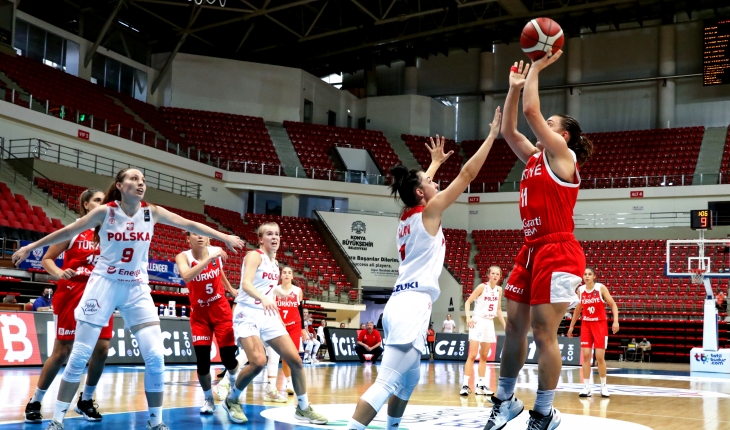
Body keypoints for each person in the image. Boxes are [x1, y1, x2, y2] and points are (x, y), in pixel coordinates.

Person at [12, 168, 244, 430]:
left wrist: (223, 236)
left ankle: (156, 422)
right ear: (120, 186)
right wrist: (30, 247)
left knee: (156, 356)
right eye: (134, 179)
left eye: (143, 180)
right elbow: (67, 231)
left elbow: (188, 224)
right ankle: (57, 420)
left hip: (136, 286)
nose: (140, 183)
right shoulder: (105, 212)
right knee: (78, 356)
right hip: (104, 285)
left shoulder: (151, 212)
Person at [346, 109, 501, 430]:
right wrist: (491, 137)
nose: (435, 181)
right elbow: (467, 176)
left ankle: (392, 427)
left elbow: (416, 188)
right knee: (387, 382)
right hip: (411, 305)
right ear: (421, 193)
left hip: (402, 304)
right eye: (431, 181)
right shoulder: (429, 213)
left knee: (409, 380)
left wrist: (434, 165)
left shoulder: (408, 215)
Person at [485, 52, 593, 430]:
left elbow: (532, 111)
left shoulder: (562, 156)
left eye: (551, 124)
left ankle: (543, 412)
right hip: (530, 249)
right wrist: (514, 88)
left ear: (562, 135)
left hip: (559, 250)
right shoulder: (533, 157)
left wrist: (537, 69)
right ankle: (504, 401)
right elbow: (510, 130)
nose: (542, 125)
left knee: (545, 333)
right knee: (514, 327)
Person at [223, 222, 327, 424]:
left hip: (267, 314)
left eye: (277, 234)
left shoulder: (275, 264)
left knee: (296, 360)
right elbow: (246, 284)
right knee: (258, 362)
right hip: (247, 313)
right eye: (269, 234)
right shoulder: (254, 256)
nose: (275, 237)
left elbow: (269, 292)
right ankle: (232, 399)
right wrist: (263, 299)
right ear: (261, 239)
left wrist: (278, 317)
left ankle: (303, 408)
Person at [25, 189, 112, 424]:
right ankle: (35, 400)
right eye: (97, 200)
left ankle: (86, 400)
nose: (103, 204)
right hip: (73, 293)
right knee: (62, 350)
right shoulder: (74, 230)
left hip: (102, 295)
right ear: (85, 205)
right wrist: (60, 273)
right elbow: (47, 259)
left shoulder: (112, 232)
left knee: (102, 349)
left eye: (105, 201)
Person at [175, 232, 241, 414]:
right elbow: (187, 276)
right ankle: (208, 398)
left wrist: (230, 289)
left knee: (228, 358)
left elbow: (219, 272)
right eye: (195, 234)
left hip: (220, 310)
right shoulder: (184, 256)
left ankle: (232, 383)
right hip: (200, 315)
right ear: (188, 238)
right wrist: (209, 258)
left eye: (203, 234)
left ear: (208, 238)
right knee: (203, 363)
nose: (200, 237)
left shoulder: (215, 253)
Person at [567, 267, 619, 398]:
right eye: (584, 274)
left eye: (589, 274)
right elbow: (578, 310)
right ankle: (586, 387)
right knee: (585, 356)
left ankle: (603, 386)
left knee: (600, 357)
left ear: (594, 276)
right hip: (586, 325)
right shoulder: (580, 290)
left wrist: (616, 321)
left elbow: (613, 304)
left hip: (600, 324)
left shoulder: (600, 288)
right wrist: (571, 326)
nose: (586, 276)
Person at [461, 266, 506, 397]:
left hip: (489, 322)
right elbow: (468, 302)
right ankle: (465, 385)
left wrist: (505, 325)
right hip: (478, 320)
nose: (495, 276)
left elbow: (498, 309)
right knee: (473, 355)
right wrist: (468, 317)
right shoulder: (482, 287)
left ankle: (480, 385)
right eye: (493, 273)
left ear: (500, 276)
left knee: (485, 356)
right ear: (488, 274)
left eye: (498, 274)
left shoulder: (499, 290)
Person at [265, 265, 305, 399]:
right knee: (279, 356)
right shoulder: (274, 290)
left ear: (292, 276)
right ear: (280, 275)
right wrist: (278, 319)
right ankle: (280, 383)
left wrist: (303, 328)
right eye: (284, 272)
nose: (287, 275)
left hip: (294, 325)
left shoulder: (297, 290)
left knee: (292, 355)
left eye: (289, 273)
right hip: (279, 325)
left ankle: (289, 383)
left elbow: (300, 309)